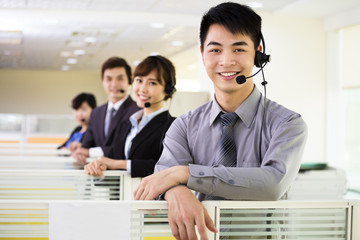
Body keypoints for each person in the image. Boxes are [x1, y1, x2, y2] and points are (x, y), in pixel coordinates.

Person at [134, 2, 308, 240]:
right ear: (202, 54)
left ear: (258, 53)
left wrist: (187, 174)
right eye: (215, 50)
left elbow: (272, 184)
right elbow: (164, 178)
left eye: (238, 49)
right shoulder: (183, 126)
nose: (226, 61)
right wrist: (174, 189)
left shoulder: (287, 124)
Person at [84, 55, 176, 178]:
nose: (142, 89)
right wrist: (99, 165)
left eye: (152, 83)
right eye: (139, 80)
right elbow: (111, 158)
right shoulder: (126, 125)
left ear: (168, 90)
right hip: (121, 195)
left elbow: (169, 168)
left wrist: (118, 164)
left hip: (150, 196)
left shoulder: (173, 126)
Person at [72, 57, 140, 165]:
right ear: (102, 82)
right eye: (108, 79)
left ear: (129, 80)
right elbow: (86, 145)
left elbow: (124, 149)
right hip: (97, 177)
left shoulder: (137, 112)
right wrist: (80, 153)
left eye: (120, 78)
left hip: (124, 178)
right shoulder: (96, 112)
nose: (114, 84)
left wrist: (88, 152)